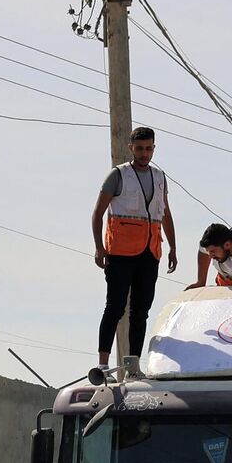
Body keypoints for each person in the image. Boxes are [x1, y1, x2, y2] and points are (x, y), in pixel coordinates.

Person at [92, 127, 177, 368]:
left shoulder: (159, 176)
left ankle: (133, 364)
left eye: (148, 148)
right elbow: (98, 213)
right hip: (120, 252)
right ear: (131, 148)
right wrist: (99, 247)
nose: (144, 153)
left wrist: (173, 247)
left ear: (154, 148)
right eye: (139, 148)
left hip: (150, 251)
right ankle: (103, 364)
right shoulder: (118, 175)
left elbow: (165, 213)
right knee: (115, 306)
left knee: (141, 311)